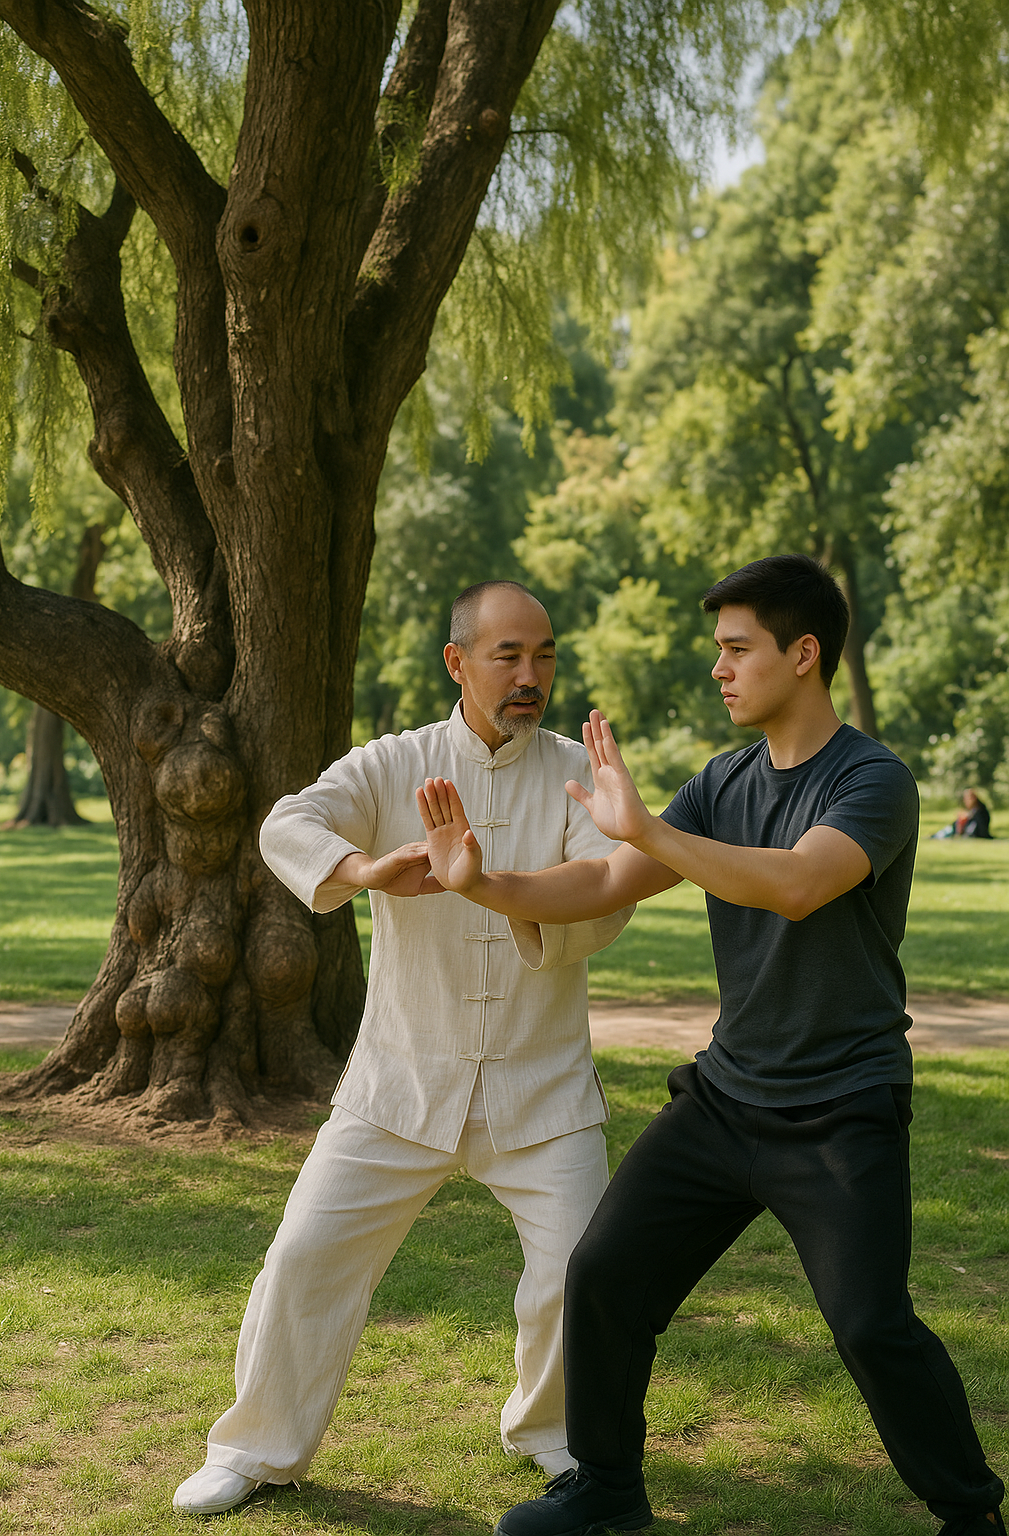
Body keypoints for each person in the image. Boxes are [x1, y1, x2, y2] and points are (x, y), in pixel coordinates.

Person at [418, 554, 1006, 1536]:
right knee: (602, 1275)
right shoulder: (723, 782)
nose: (719, 670)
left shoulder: (873, 781)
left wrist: (647, 826)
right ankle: (606, 1487)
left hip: (840, 1112)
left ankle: (969, 1515)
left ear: (803, 654)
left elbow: (794, 883)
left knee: (869, 1324)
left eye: (737, 650)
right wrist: (482, 884)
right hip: (726, 1102)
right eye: (718, 651)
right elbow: (606, 884)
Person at [172, 580, 634, 1515]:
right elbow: (284, 823)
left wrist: (488, 882)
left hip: (542, 1090)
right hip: (396, 1083)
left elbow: (606, 884)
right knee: (306, 1255)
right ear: (459, 662)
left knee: (580, 1270)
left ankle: (554, 1435)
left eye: (543, 655)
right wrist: (366, 869)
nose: (530, 675)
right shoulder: (395, 763)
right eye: (508, 656)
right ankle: (258, 1447)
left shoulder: (574, 771)